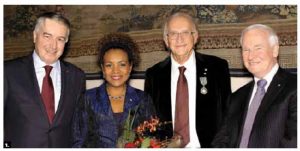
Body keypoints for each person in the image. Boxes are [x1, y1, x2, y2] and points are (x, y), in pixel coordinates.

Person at [144, 12, 231, 148]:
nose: (179, 39)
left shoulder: (217, 67)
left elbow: (227, 115)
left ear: (195, 37)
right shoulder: (154, 74)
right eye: (173, 33)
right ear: (166, 40)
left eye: (185, 32)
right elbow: (150, 121)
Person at [4, 12, 86, 147]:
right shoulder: (8, 72)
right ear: (35, 36)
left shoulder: (77, 76)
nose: (53, 45)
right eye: (47, 36)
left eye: (60, 39)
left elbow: (78, 126)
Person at [211, 24, 297, 148]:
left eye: (258, 48)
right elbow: (222, 139)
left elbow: (293, 143)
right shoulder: (237, 97)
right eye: (246, 50)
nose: (251, 56)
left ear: (275, 50)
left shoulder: (294, 88)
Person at [72, 33, 155, 148]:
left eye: (122, 64)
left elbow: (151, 139)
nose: (116, 71)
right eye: (109, 65)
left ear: (130, 67)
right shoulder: (88, 98)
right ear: (102, 68)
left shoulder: (142, 99)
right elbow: (78, 141)